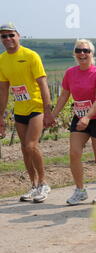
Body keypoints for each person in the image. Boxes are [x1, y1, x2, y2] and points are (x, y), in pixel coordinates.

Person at [52, 39, 96, 205]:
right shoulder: (70, 73)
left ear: (92, 54)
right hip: (79, 117)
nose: (82, 53)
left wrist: (87, 117)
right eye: (79, 50)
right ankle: (80, 190)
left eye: (86, 51)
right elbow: (64, 96)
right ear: (75, 54)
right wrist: (53, 115)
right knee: (74, 153)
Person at [0, 23, 53, 203]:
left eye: (10, 35)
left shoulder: (31, 56)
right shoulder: (2, 60)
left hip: (36, 107)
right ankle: (34, 185)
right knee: (24, 148)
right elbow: (3, 90)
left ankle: (44, 183)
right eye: (4, 36)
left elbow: (43, 83)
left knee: (31, 145)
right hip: (20, 110)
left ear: (18, 35)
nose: (7, 39)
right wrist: (0, 116)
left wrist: (48, 110)